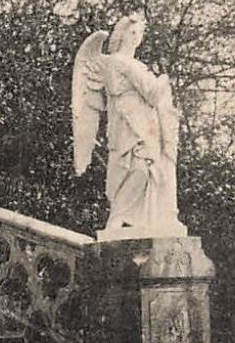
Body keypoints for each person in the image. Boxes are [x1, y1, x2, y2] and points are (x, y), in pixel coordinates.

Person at [74, 14, 184, 236]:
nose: (136, 38)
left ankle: (139, 221)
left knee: (149, 170)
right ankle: (117, 218)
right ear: (121, 34)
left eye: (139, 33)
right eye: (131, 32)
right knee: (138, 169)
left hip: (146, 124)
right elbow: (151, 93)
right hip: (129, 124)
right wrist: (164, 80)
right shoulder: (117, 61)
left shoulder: (135, 64)